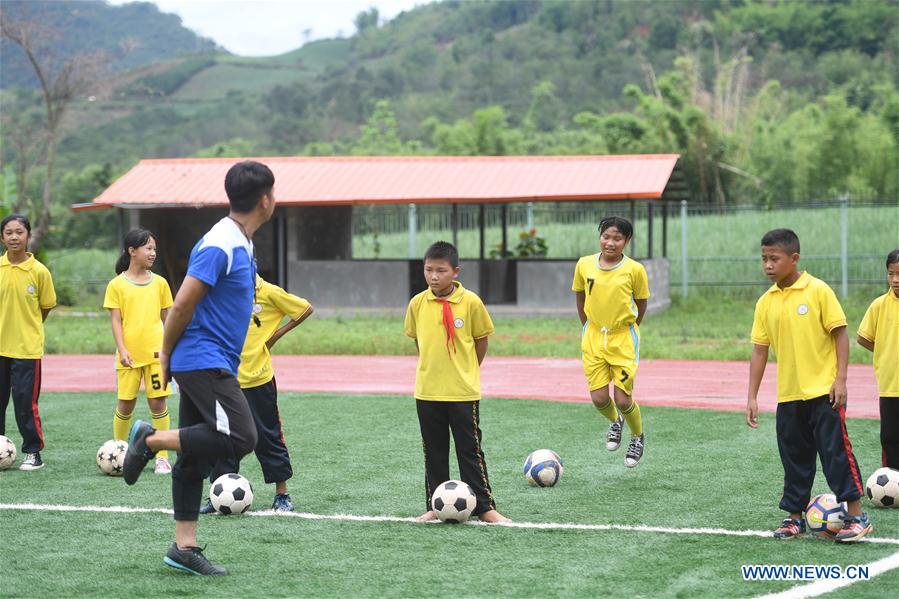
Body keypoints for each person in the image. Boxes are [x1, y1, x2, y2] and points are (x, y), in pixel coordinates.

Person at [121, 160, 276, 575]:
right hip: (202, 359)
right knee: (241, 435)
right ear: (266, 200)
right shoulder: (220, 243)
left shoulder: (240, 240)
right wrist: (167, 356)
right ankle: (149, 440)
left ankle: (183, 548)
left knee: (192, 456)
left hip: (211, 359)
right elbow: (184, 302)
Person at [746, 228, 870, 543]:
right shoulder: (766, 302)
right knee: (794, 458)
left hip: (824, 392)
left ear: (794, 258)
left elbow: (840, 334)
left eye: (774, 258)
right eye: (764, 259)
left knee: (835, 454)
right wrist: (752, 396)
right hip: (789, 395)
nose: (768, 265)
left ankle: (856, 516)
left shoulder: (817, 291)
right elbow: (760, 350)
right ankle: (793, 518)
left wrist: (840, 379)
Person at [404, 241, 509, 523]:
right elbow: (419, 341)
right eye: (428, 270)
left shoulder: (471, 302)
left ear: (456, 272)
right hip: (428, 392)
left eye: (441, 270)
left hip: (462, 391)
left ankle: (485, 507)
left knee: (470, 450)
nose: (434, 276)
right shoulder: (417, 304)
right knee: (433, 452)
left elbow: (481, 340)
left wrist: (467, 370)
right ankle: (434, 505)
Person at [199, 274, 313, 513]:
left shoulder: (268, 292)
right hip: (226, 378)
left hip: (258, 379)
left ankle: (282, 495)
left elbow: (304, 309)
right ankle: (217, 494)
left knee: (267, 435)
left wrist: (271, 339)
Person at [572, 216, 649, 467]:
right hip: (593, 337)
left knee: (623, 398)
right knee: (599, 399)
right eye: (606, 236)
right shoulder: (584, 265)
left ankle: (637, 436)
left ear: (626, 241)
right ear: (600, 237)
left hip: (622, 340)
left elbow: (641, 302)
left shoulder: (634, 270)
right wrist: (587, 325)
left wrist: (629, 326)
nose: (610, 243)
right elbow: (580, 297)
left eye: (617, 238)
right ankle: (615, 421)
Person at [104, 229, 174, 474]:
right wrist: (122, 349)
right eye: (148, 248)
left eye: (154, 248)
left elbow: (169, 318)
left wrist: (171, 350)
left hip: (156, 356)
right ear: (132, 251)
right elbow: (116, 321)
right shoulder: (116, 285)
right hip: (129, 356)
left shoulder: (161, 283)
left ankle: (162, 457)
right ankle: (120, 452)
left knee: (158, 402)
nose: (153, 253)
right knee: (125, 404)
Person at [0, 214, 57, 471]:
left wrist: (28, 328)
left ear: (28, 236)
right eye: (9, 232)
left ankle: (33, 453)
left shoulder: (39, 272)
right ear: (2, 237)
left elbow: (45, 308)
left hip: (26, 349)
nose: (14, 237)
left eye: (19, 232)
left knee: (25, 404)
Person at [857, 249, 899, 470]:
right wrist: (885, 349)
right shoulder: (879, 305)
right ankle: (894, 483)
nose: (895, 280)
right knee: (890, 438)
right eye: (891, 274)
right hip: (890, 386)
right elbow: (863, 338)